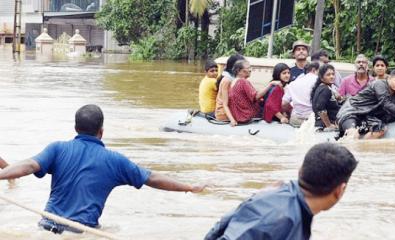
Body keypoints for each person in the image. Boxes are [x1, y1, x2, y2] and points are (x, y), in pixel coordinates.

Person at [0, 104, 205, 234]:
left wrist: (1, 175)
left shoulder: (57, 148)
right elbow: (152, 178)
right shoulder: (115, 161)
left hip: (45, 227)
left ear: (75, 128)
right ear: (101, 131)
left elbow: (28, 165)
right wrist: (190, 187)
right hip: (81, 232)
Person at [205, 142, 358, 240]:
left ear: (300, 171)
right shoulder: (281, 218)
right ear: (340, 190)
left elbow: (219, 228)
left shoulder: (282, 198)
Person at [337, 70, 395, 139]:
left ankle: (363, 147)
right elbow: (386, 103)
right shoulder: (379, 84)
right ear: (389, 78)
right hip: (351, 111)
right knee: (352, 133)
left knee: (380, 129)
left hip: (367, 115)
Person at [228, 60, 279, 124]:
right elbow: (256, 96)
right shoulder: (242, 81)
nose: (250, 70)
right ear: (239, 71)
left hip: (238, 116)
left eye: (250, 68)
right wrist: (271, 84)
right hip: (247, 116)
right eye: (248, 68)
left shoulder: (233, 82)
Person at [282, 62, 319, 127]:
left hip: (295, 119)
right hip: (313, 120)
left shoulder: (293, 83)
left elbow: (284, 104)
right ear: (314, 70)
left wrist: (291, 110)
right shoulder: (319, 80)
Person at [215, 54, 245, 126]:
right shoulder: (227, 81)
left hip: (232, 109)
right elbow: (225, 104)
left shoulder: (235, 78)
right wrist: (232, 120)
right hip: (223, 113)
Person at [311, 64, 340, 131]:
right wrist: (329, 125)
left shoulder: (325, 88)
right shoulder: (325, 90)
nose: (332, 76)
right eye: (328, 75)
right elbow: (321, 110)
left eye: (333, 74)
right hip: (323, 127)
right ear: (321, 78)